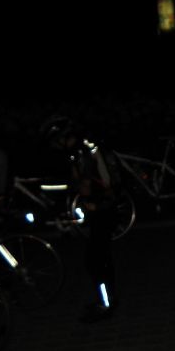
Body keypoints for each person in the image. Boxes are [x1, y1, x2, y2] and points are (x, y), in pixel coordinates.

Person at [41, 116, 120, 323]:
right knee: (102, 258)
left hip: (102, 210)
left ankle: (105, 305)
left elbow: (84, 187)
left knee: (94, 260)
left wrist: (71, 184)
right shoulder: (87, 146)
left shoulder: (81, 153)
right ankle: (109, 299)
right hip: (107, 208)